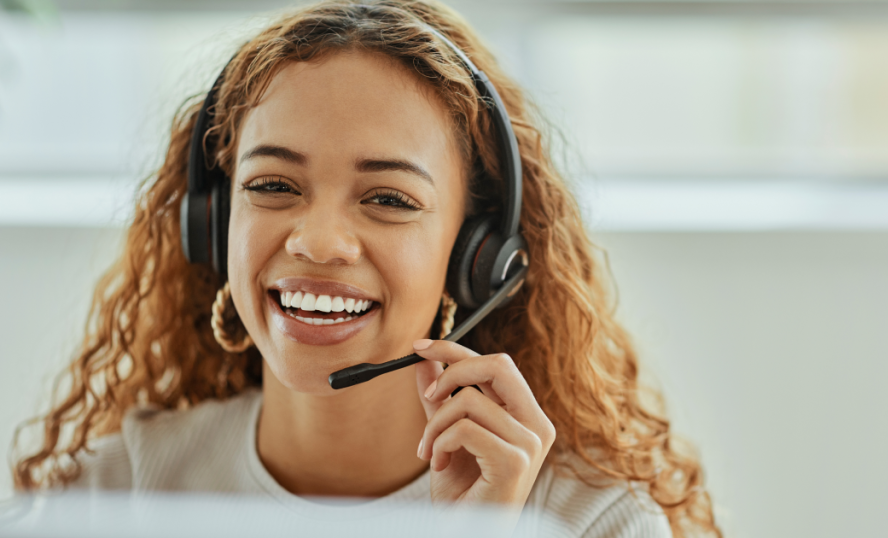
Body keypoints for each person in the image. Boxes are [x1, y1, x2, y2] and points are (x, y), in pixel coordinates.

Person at [10, 1, 719, 536]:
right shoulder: (115, 491)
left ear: (477, 255)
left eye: (388, 198)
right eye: (273, 186)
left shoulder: (589, 520)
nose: (319, 243)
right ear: (213, 223)